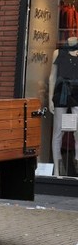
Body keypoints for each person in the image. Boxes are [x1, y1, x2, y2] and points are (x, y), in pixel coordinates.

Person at [49, 36, 78, 175]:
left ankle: (77, 166)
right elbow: (52, 77)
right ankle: (58, 171)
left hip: (77, 93)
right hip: (61, 92)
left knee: (77, 132)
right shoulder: (58, 52)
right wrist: (50, 98)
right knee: (58, 132)